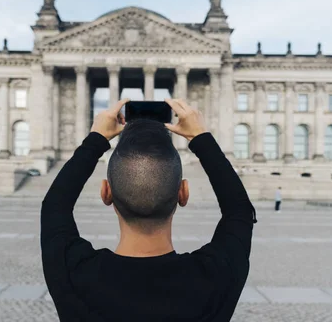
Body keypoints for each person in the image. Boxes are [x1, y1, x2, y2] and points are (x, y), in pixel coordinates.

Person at [40, 98, 256, 322]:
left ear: (106, 192)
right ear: (183, 193)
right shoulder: (216, 276)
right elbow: (239, 211)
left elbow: (54, 206)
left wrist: (96, 139)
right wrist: (200, 137)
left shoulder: (75, 274)